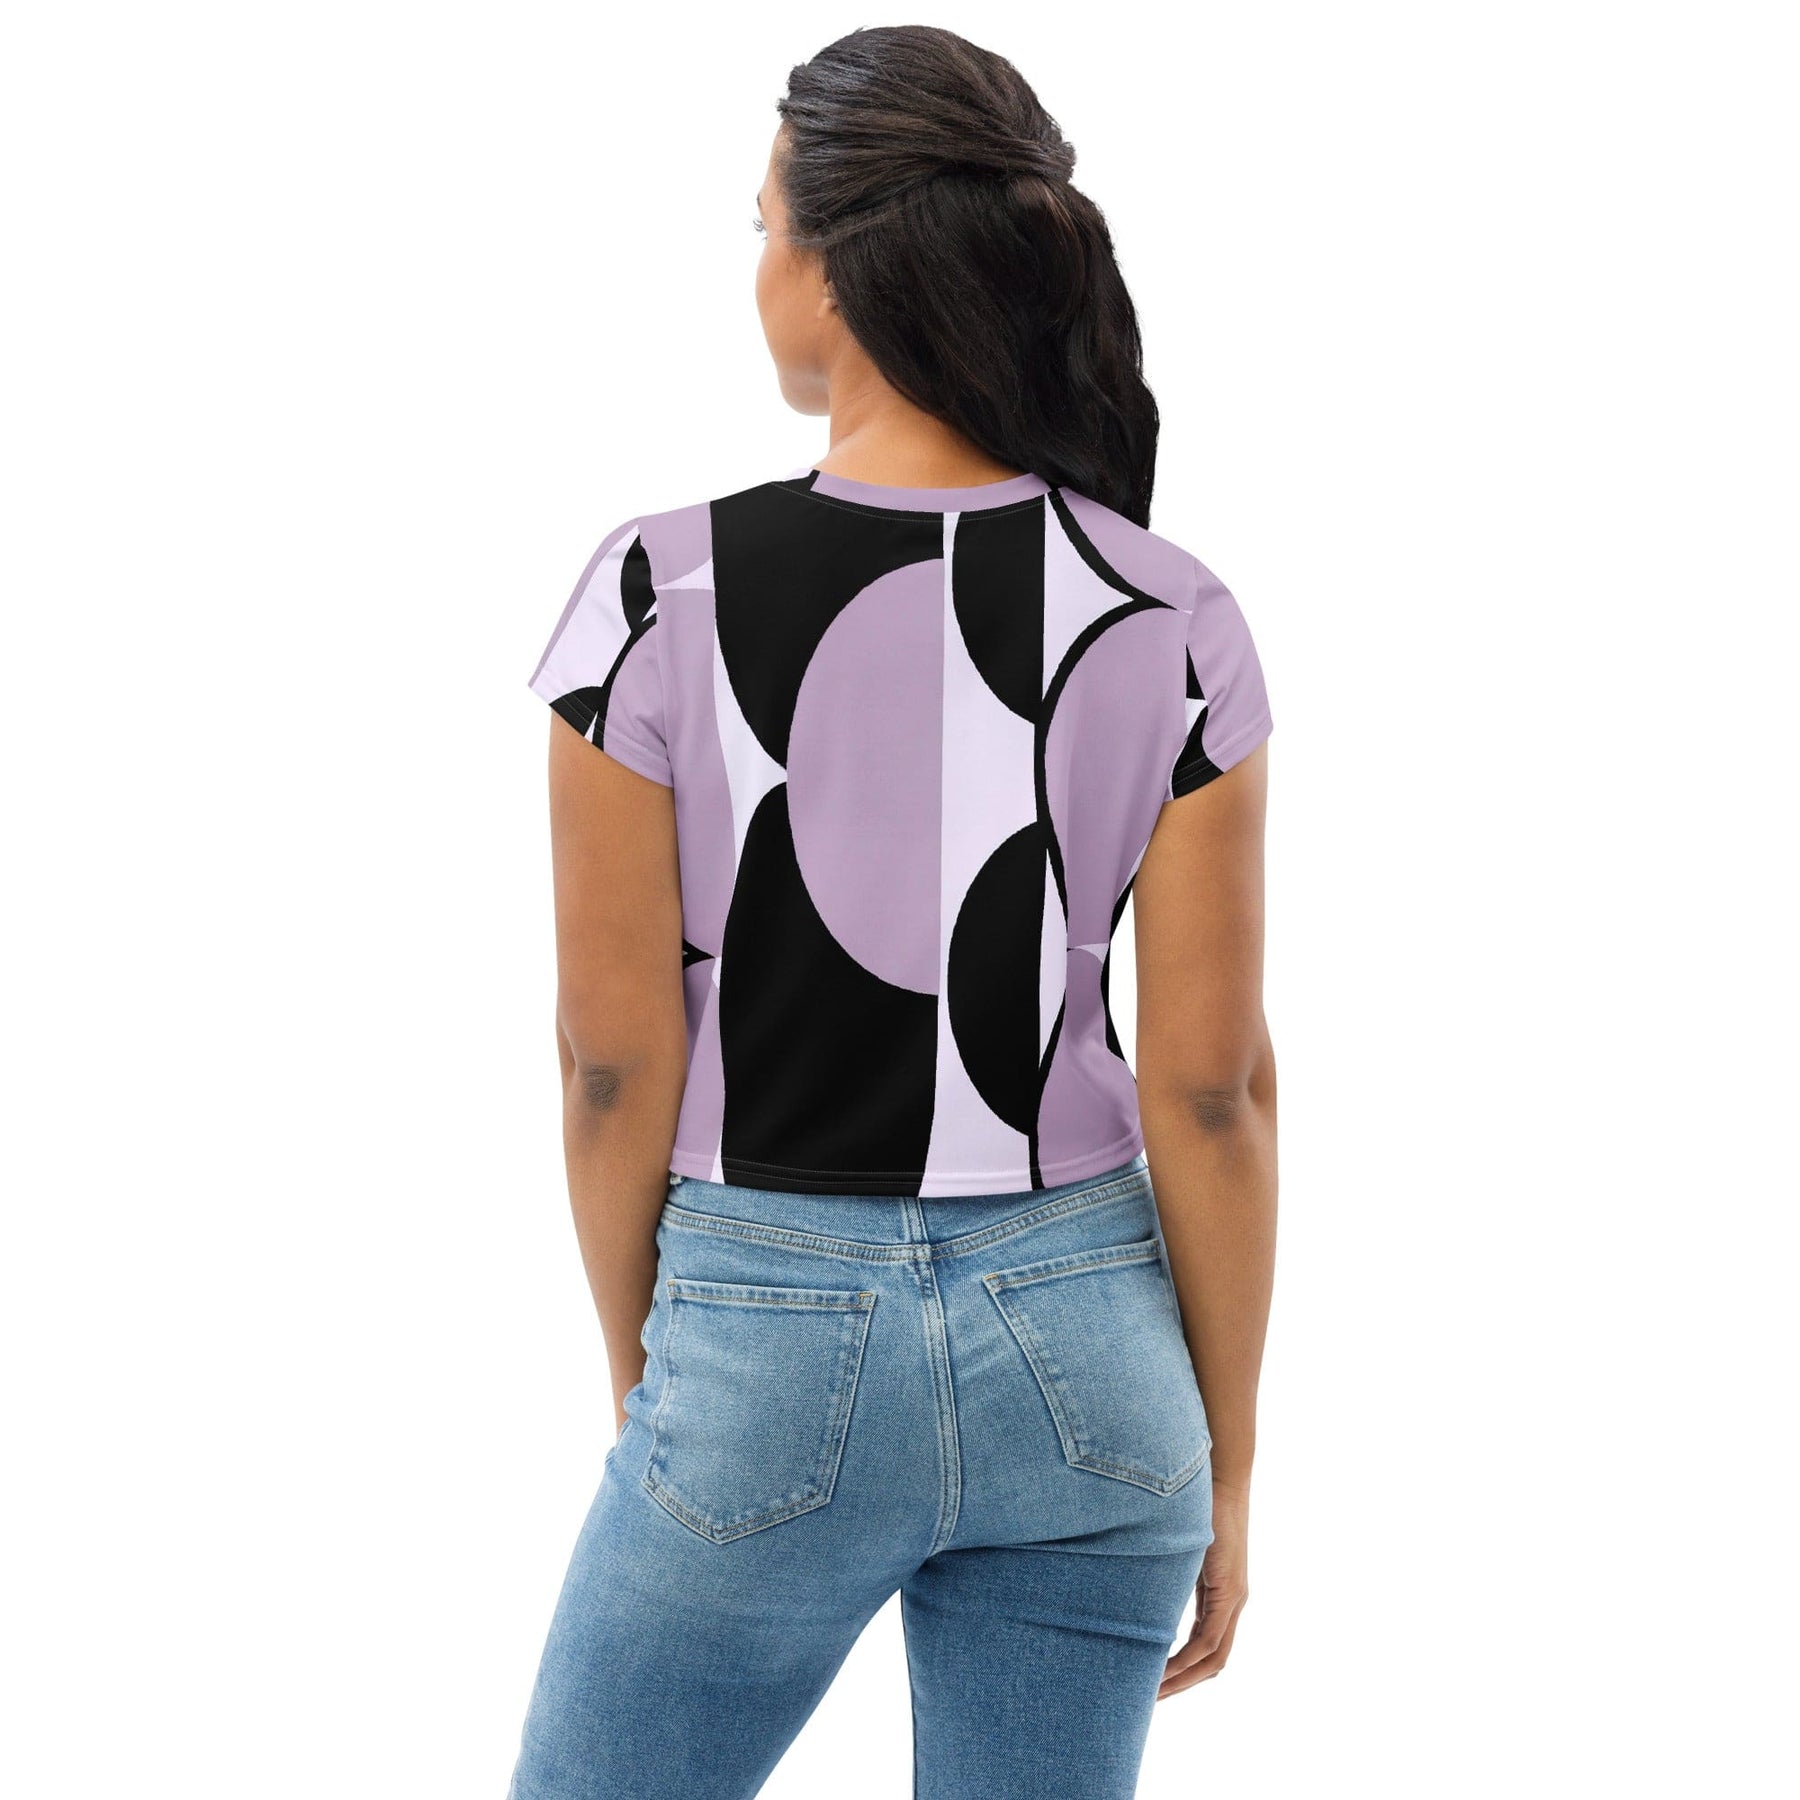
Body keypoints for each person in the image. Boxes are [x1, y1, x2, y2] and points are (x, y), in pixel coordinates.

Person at [506, 25, 1277, 1800]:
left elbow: (612, 1061)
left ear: (838, 270)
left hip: (768, 1328)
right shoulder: (1169, 613)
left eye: (761, 226)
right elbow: (1212, 1085)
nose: (756, 270)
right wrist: (1225, 1464)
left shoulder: (657, 595)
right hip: (1096, 1363)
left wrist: (659, 1371)